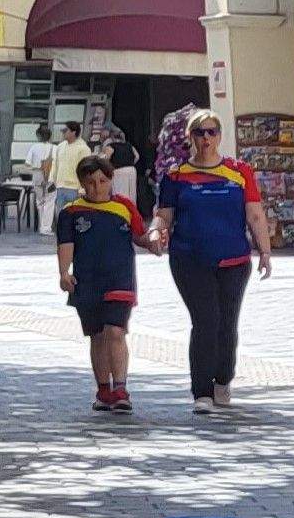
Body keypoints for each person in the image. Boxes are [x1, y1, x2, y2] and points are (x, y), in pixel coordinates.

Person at [150, 111, 274, 414]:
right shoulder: (176, 175)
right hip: (189, 258)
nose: (206, 138)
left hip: (233, 258)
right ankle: (201, 391)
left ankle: (223, 379)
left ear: (219, 136)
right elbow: (164, 213)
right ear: (191, 137)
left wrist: (265, 252)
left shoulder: (239, 171)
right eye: (199, 133)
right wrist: (156, 230)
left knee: (227, 322)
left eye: (211, 132)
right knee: (205, 320)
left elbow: (255, 214)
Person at [56, 155, 160, 414]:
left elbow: (140, 236)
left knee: (115, 331)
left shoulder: (124, 207)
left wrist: (154, 243)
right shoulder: (71, 213)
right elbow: (65, 246)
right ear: (82, 183)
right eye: (90, 182)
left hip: (120, 279)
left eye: (103, 181)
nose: (97, 187)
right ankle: (104, 390)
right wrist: (63, 273)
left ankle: (121, 389)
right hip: (87, 282)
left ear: (111, 180)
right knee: (97, 336)